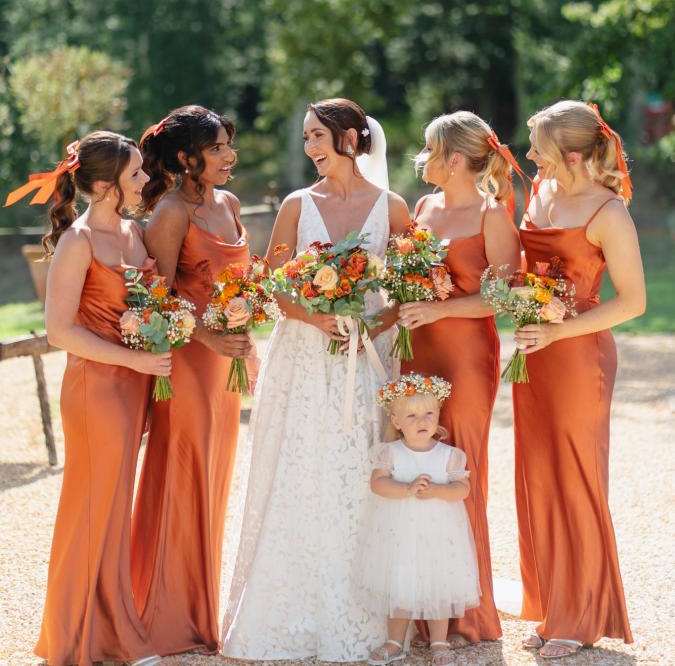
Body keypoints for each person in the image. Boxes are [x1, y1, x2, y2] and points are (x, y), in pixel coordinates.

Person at [222, 98, 410, 662]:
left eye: (317, 136)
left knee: (358, 471)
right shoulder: (296, 206)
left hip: (367, 357)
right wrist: (317, 317)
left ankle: (366, 613)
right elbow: (272, 284)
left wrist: (369, 323)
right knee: (299, 469)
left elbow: (411, 287)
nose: (310, 148)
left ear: (351, 138)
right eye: (305, 138)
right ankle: (289, 612)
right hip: (304, 354)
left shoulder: (393, 207)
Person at [4, 132, 168, 666]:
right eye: (136, 174)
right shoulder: (77, 243)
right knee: (91, 508)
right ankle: (78, 637)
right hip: (96, 390)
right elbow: (59, 332)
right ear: (104, 185)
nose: (146, 181)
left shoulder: (133, 233)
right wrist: (137, 360)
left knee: (115, 508)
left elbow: (146, 307)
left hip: (134, 384)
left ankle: (113, 627)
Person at [515, 100, 646, 658]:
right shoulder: (539, 194)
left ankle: (580, 616)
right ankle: (551, 606)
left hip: (578, 356)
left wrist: (558, 333)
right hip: (533, 353)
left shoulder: (608, 212)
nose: (529, 156)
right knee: (536, 476)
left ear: (570, 153)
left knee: (575, 477)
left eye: (538, 148)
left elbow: (634, 303)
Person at [130, 105, 254, 656]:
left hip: (226, 360)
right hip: (187, 362)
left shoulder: (227, 203)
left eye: (229, 145)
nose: (230, 156)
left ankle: (200, 615)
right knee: (184, 477)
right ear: (186, 159)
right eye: (218, 148)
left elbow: (238, 279)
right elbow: (157, 296)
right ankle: (165, 618)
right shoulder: (170, 212)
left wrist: (246, 330)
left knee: (216, 477)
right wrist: (207, 338)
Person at [397, 111, 521, 643]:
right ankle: (423, 609)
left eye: (428, 149)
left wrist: (440, 312)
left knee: (459, 464)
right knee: (412, 459)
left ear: (454, 159)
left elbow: (502, 296)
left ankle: (468, 612)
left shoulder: (493, 214)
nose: (420, 158)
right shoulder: (423, 207)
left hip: (467, 352)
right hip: (417, 347)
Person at [359, 374, 480, 666]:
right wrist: (407, 489)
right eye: (411, 415)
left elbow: (462, 489)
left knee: (438, 585)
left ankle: (438, 642)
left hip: (439, 535)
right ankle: (394, 641)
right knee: (400, 583)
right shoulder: (390, 453)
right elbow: (378, 484)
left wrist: (438, 490)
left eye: (429, 413)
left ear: (438, 414)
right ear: (396, 420)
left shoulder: (450, 455)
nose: (421, 420)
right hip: (400, 534)